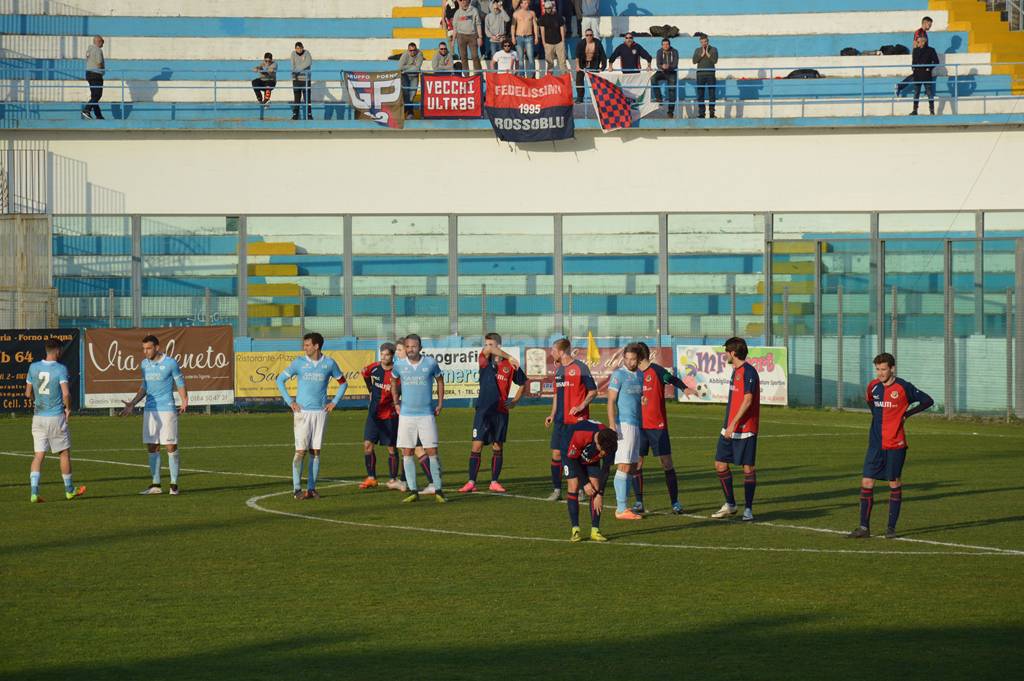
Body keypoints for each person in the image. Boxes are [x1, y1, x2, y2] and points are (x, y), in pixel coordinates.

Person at [847, 353, 933, 540]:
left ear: (892, 368)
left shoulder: (903, 387)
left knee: (894, 483)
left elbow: (927, 400)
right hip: (876, 444)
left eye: (883, 369)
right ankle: (863, 528)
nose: (880, 373)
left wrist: (907, 414)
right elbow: (872, 404)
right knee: (867, 482)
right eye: (877, 369)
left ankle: (891, 528)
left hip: (895, 443)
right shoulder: (873, 386)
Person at [275, 332, 348, 500]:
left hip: (320, 413)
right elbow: (280, 380)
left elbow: (343, 383)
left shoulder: (329, 363)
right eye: (304, 345)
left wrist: (334, 402)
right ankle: (296, 489)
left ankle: (312, 488)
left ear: (316, 346)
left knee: (316, 451)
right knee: (300, 451)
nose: (304, 347)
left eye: (307, 345)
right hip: (302, 414)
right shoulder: (299, 363)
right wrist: (290, 401)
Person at [119, 335, 188, 496]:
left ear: (157, 347)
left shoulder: (170, 363)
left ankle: (174, 485)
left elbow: (180, 383)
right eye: (143, 348)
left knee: (170, 446)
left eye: (148, 348)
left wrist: (185, 400)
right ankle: (156, 485)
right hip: (150, 410)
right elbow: (144, 387)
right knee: (152, 446)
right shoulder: (144, 364)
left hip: (167, 409)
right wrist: (132, 403)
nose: (145, 351)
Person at [632, 342, 694, 515]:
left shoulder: (656, 371)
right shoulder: (634, 375)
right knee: (637, 463)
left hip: (657, 426)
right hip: (639, 426)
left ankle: (675, 502)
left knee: (666, 463)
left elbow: (671, 379)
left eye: (632, 357)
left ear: (638, 357)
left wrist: (684, 388)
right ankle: (638, 502)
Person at [459, 333, 526, 494]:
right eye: (486, 344)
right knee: (477, 445)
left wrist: (515, 401)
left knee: (498, 446)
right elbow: (487, 350)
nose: (488, 347)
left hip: (501, 411)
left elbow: (523, 382)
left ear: (499, 345)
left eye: (492, 344)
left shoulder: (510, 366)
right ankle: (471, 481)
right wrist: (510, 356)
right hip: (483, 410)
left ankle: (494, 482)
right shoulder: (484, 361)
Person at [25, 338, 85, 503]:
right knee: (64, 453)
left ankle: (34, 492)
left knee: (38, 456)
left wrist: (36, 403)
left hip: (38, 417)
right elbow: (66, 393)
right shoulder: (60, 369)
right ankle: (69, 490)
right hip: (55, 416)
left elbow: (28, 394)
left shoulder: (33, 367)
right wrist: (68, 409)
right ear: (58, 350)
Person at [391, 334, 447, 503]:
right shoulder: (399, 365)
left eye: (413, 346)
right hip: (406, 416)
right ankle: (413, 490)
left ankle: (438, 489)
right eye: (407, 347)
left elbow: (440, 381)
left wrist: (440, 403)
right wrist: (396, 402)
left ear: (420, 347)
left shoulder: (430, 363)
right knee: (407, 451)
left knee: (432, 451)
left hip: (426, 415)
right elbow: (393, 380)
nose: (410, 350)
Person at [710, 337, 759, 521]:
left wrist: (733, 424)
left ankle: (748, 509)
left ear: (733, 353)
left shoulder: (749, 372)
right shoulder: (736, 371)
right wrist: (728, 425)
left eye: (726, 352)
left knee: (748, 468)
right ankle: (730, 504)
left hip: (745, 429)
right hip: (729, 428)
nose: (725, 356)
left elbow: (747, 400)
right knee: (720, 464)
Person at [544, 338, 598, 501]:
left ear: (561, 352)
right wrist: (552, 415)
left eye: (553, 350)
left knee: (577, 455)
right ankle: (557, 489)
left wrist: (581, 406)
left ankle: (582, 488)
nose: (551, 353)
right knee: (556, 455)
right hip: (560, 421)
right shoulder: (559, 370)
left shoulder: (581, 368)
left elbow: (593, 391)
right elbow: (556, 395)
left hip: (577, 421)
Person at [606, 344, 644, 521]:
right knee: (624, 464)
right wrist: (613, 424)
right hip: (624, 424)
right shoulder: (618, 375)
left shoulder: (640, 375)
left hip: (636, 424)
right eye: (627, 358)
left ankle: (624, 506)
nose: (629, 362)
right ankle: (620, 509)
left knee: (632, 466)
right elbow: (611, 401)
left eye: (633, 359)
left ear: (638, 360)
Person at [562, 420, 617, 542]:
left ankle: (595, 530)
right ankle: (575, 529)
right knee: (574, 485)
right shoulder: (580, 434)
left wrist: (600, 494)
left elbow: (606, 469)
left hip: (587, 453)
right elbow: (573, 460)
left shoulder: (610, 442)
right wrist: (585, 483)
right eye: (601, 450)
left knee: (595, 487)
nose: (602, 454)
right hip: (569, 452)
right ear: (597, 443)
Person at [361, 342, 405, 491]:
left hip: (390, 416)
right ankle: (371, 477)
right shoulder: (374, 368)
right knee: (367, 445)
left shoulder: (398, 373)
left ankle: (393, 479)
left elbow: (402, 390)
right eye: (382, 354)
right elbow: (364, 374)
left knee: (391, 448)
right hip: (374, 415)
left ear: (392, 356)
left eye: (387, 354)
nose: (383, 357)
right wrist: (370, 389)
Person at [574, 27, 606, 103]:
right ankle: (580, 98)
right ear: (585, 36)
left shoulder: (597, 43)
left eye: (590, 35)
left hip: (593, 63)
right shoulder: (581, 43)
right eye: (587, 35)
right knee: (579, 80)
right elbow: (577, 56)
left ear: (593, 35)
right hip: (583, 63)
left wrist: (603, 67)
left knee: (595, 81)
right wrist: (578, 66)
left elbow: (603, 55)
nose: (589, 37)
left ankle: (597, 98)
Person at [910, 35, 939, 116]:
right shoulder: (915, 50)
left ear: (923, 42)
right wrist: (913, 68)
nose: (917, 43)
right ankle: (915, 110)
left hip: (926, 74)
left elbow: (936, 61)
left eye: (918, 42)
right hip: (917, 74)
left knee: (929, 93)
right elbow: (913, 61)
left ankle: (932, 111)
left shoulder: (931, 50)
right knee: (916, 93)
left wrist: (929, 68)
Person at [453, 0, 484, 75]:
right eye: (461, 0)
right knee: (463, 57)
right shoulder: (457, 12)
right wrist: (453, 40)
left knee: (475, 56)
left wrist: (480, 37)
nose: (463, 2)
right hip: (461, 36)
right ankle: (466, 76)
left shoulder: (474, 10)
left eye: (465, 0)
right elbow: (455, 27)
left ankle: (478, 76)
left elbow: (478, 24)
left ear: (468, 1)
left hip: (472, 36)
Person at [692, 32, 719, 119]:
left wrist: (707, 54)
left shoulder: (714, 49)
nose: (704, 43)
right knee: (700, 95)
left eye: (705, 42)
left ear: (708, 41)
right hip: (700, 75)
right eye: (702, 42)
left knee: (712, 95)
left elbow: (715, 61)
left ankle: (712, 114)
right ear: (700, 42)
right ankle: (701, 114)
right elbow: (694, 61)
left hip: (710, 74)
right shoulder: (697, 50)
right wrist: (702, 55)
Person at [538, 0, 567, 75]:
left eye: (549, 8)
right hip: (548, 43)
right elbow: (542, 31)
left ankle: (565, 79)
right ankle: (550, 80)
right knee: (550, 63)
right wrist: (544, 42)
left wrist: (563, 41)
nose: (548, 10)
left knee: (562, 63)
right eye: (546, 8)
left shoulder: (558, 17)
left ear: (552, 7)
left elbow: (561, 29)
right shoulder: (542, 18)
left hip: (559, 42)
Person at [652, 38, 679, 117]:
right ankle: (659, 98)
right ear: (662, 45)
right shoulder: (659, 51)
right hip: (662, 71)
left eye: (667, 44)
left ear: (669, 45)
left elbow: (675, 64)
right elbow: (658, 64)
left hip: (671, 72)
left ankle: (670, 112)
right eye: (664, 44)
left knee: (672, 92)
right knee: (653, 78)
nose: (665, 46)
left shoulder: (674, 51)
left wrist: (668, 67)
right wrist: (662, 66)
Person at [512, 0, 540, 78]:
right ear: (520, 4)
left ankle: (532, 76)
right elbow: (513, 26)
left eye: (527, 3)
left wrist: (536, 37)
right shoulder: (516, 13)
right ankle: (521, 76)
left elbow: (535, 25)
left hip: (529, 37)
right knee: (520, 58)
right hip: (519, 37)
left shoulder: (531, 13)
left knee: (531, 57)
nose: (526, 5)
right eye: (524, 3)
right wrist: (513, 37)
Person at [397, 42, 425, 118]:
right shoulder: (404, 55)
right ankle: (410, 113)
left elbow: (417, 68)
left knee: (412, 95)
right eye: (411, 50)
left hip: (414, 76)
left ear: (416, 50)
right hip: (405, 76)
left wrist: (406, 68)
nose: (412, 52)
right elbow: (399, 67)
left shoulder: (419, 54)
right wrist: (412, 66)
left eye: (414, 50)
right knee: (405, 93)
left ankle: (405, 111)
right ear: (408, 50)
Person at [81, 35, 105, 120]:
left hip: (89, 74)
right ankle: (87, 110)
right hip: (96, 74)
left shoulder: (89, 50)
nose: (103, 44)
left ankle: (99, 115)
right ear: (99, 41)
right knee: (97, 95)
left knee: (94, 96)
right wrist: (102, 70)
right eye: (102, 42)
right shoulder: (98, 50)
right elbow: (99, 62)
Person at [290, 41, 312, 120]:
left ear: (303, 47)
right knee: (296, 98)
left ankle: (309, 115)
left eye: (300, 48)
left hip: (306, 80)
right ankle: (295, 114)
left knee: (307, 99)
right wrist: (295, 70)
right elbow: (292, 65)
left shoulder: (307, 53)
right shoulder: (293, 54)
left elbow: (308, 63)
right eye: (297, 48)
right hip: (296, 80)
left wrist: (297, 69)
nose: (299, 50)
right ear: (295, 49)